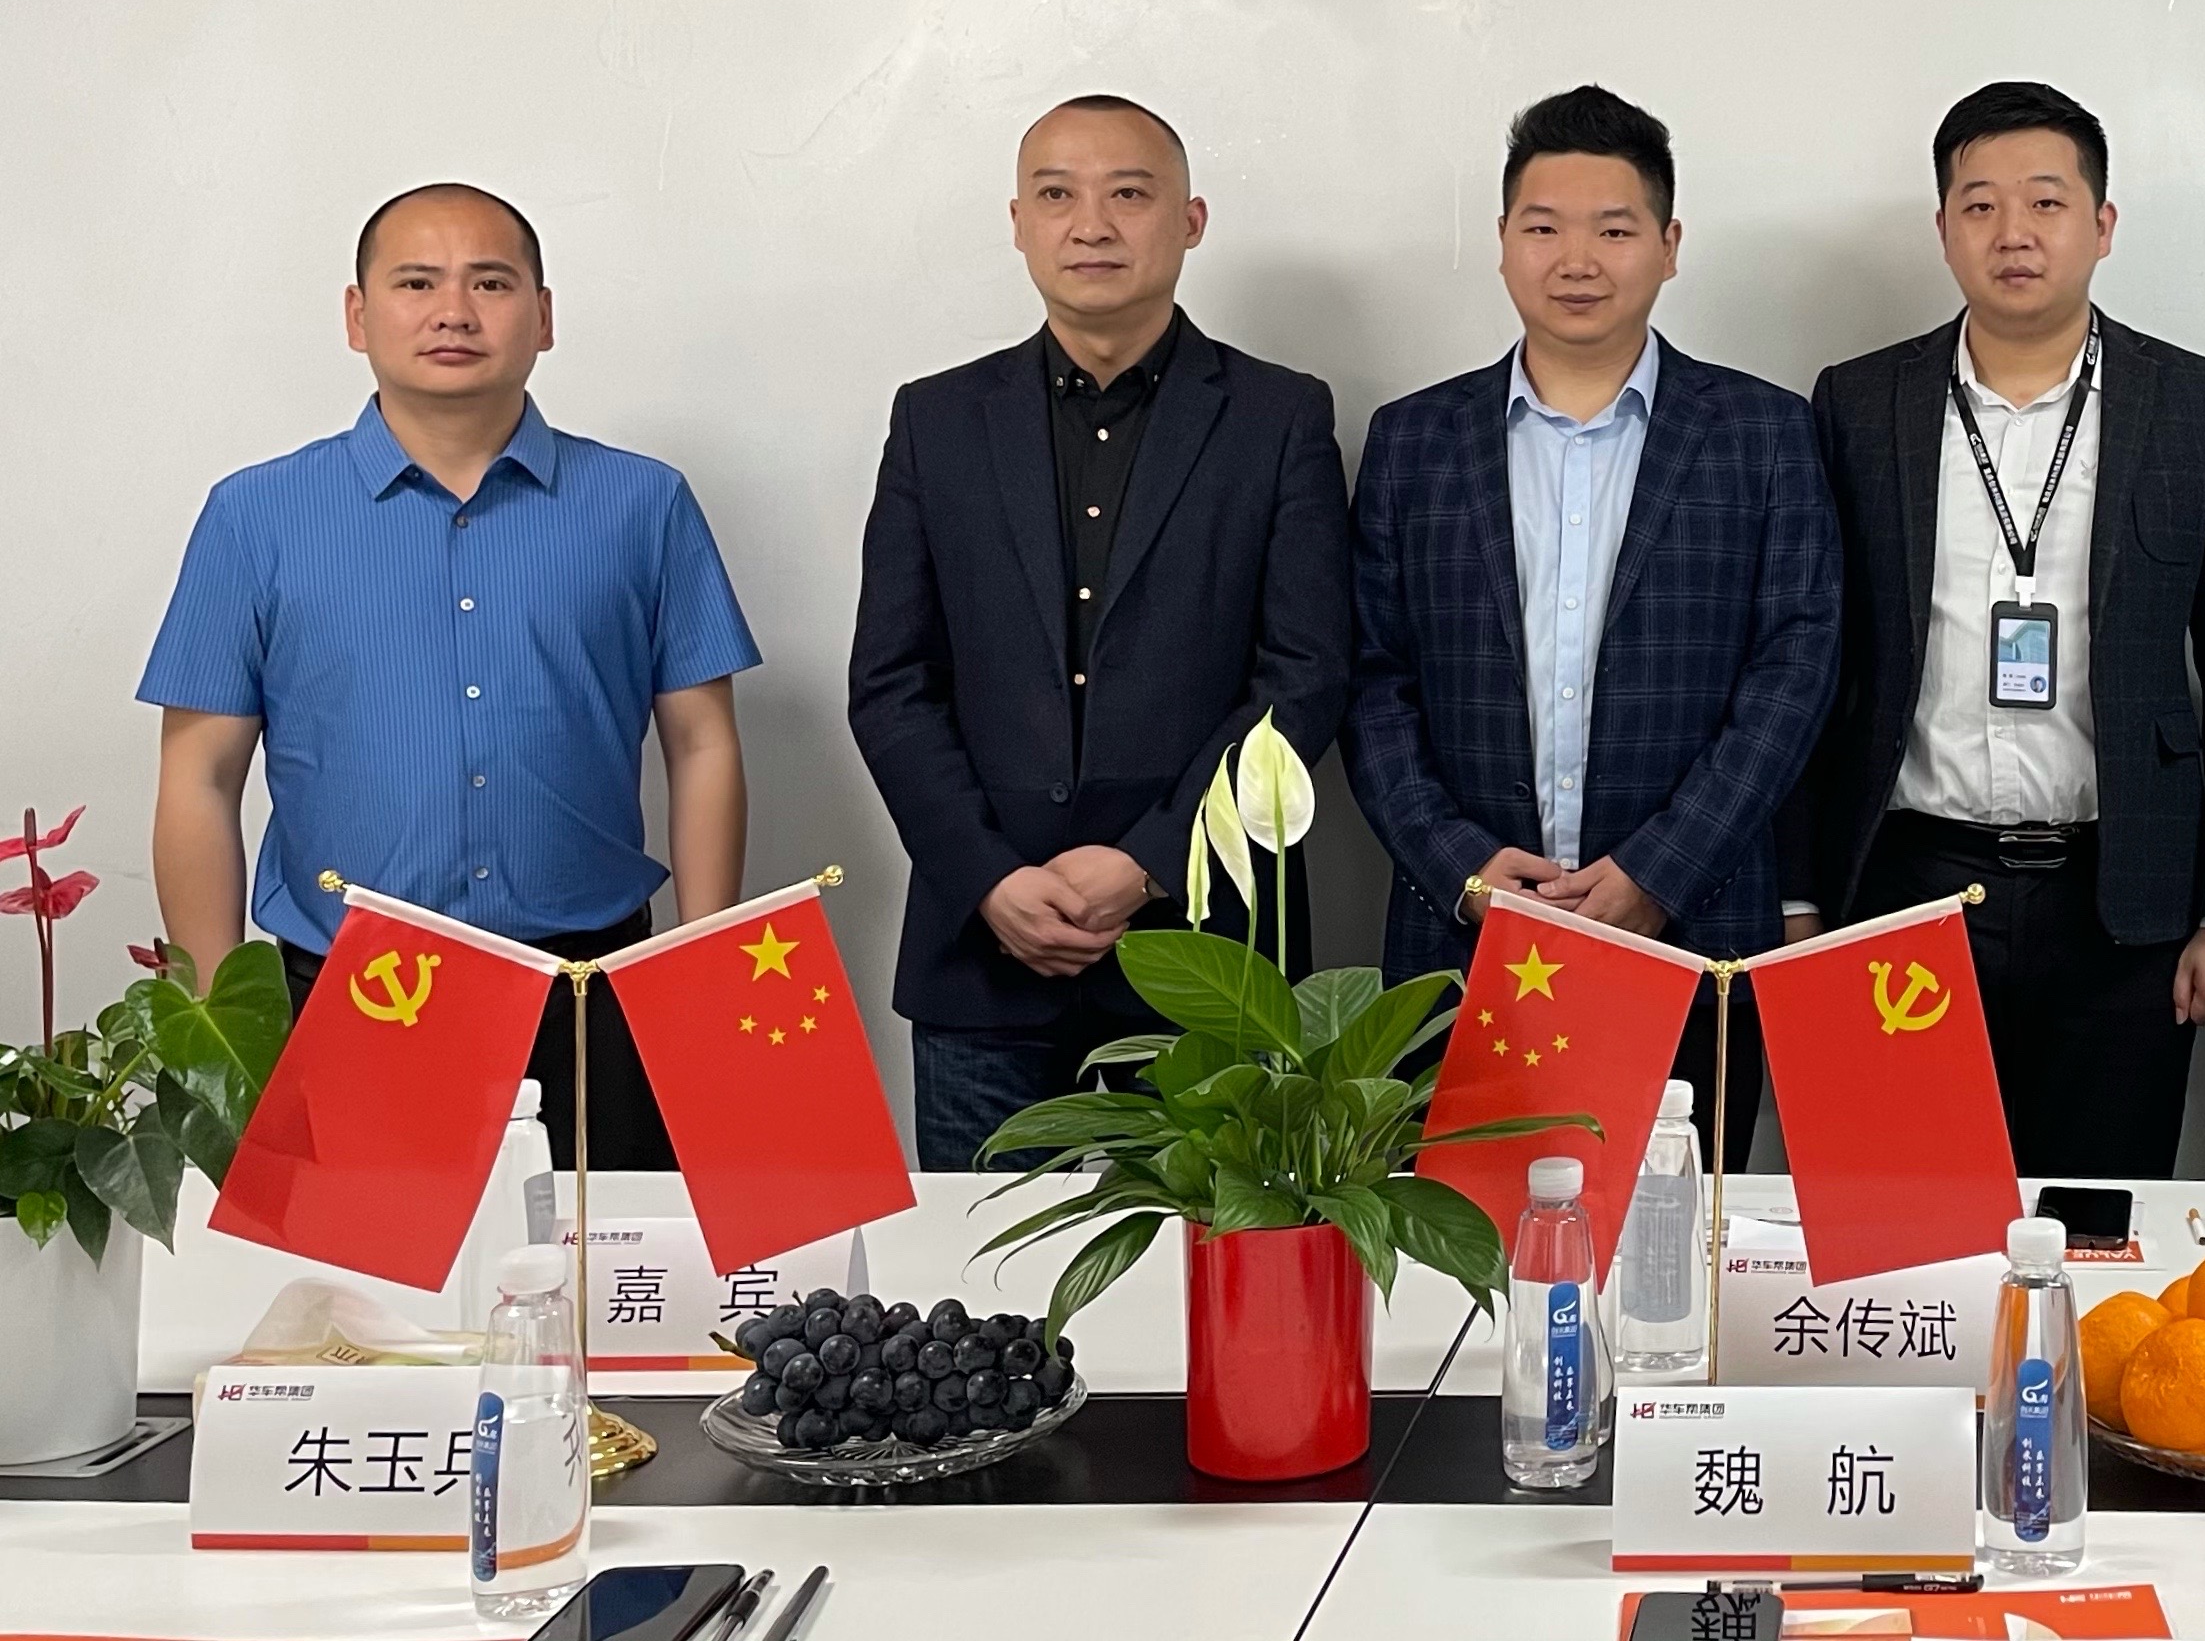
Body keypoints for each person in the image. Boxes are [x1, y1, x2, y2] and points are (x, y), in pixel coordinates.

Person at [142, 184, 757, 1168]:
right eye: (417, 282)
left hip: (591, 992)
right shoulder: (255, 516)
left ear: (543, 316)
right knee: (355, 1274)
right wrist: (224, 1019)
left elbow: (703, 741)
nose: (454, 312)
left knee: (602, 1262)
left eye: (492, 283)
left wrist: (701, 974)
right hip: (348, 993)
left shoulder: (643, 504)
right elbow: (199, 776)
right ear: (358, 315)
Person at [849, 95, 1353, 1170]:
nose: (1092, 225)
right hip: (981, 950)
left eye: (1129, 193)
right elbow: (892, 683)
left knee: (1203, 1264)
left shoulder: (1279, 417)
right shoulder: (936, 419)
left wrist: (1149, 861)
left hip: (1206, 954)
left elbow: (1305, 679)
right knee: (976, 1264)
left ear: (1191, 220)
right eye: (1057, 195)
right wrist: (989, 877)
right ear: (1018, 222)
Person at [1789, 81, 2205, 1177]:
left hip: (2123, 898)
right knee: (1899, 1220)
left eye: (2046, 203)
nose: (2013, 232)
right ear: (1943, 229)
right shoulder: (1859, 403)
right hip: (1902, 886)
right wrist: (1800, 893)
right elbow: (1812, 663)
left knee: (2095, 1230)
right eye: (1980, 205)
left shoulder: (2195, 403)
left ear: (2102, 225)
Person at [1343, 86, 1838, 1166]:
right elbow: (1373, 684)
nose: (1577, 260)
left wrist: (1659, 870)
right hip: (1461, 939)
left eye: (1613, 230)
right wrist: (1465, 868)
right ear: (1502, 244)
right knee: (1458, 1239)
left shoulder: (1762, 433)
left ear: (1669, 245)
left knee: (1678, 1243)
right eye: (1544, 227)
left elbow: (1794, 672)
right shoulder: (1413, 440)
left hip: (1692, 927)